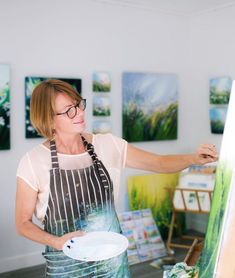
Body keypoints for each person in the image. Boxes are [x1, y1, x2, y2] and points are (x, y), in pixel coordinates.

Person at [15, 79, 218, 278]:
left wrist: (193, 158)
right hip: (66, 269)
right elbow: (23, 223)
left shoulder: (107, 145)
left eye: (78, 104)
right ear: (49, 120)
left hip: (112, 265)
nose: (80, 112)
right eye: (69, 110)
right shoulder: (33, 162)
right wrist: (57, 242)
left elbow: (159, 163)